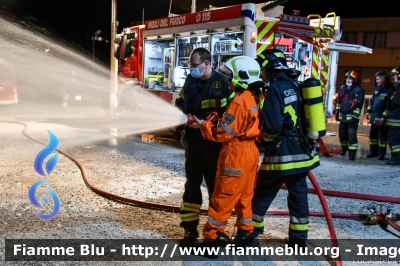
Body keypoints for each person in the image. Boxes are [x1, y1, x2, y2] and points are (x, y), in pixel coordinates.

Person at [188, 56, 262, 254]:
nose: (228, 80)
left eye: (230, 76)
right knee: (244, 196)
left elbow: (223, 134)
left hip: (236, 153)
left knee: (223, 196)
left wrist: (201, 125)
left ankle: (212, 239)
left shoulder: (238, 101)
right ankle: (245, 235)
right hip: (250, 153)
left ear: (241, 77)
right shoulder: (252, 97)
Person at [248, 49, 320, 248]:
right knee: (298, 197)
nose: (260, 72)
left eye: (262, 67)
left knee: (262, 193)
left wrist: (263, 141)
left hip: (282, 155)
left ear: (269, 67)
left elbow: (272, 126)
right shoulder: (295, 85)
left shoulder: (275, 89)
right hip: (302, 152)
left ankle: (250, 233)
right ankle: (298, 240)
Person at [175, 47, 233, 241]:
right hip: (194, 142)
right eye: (190, 65)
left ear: (207, 64)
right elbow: (181, 102)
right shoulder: (190, 81)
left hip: (214, 144)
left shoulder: (223, 82)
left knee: (215, 188)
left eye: (194, 65)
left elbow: (231, 113)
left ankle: (215, 230)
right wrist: (179, 122)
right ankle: (189, 229)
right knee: (192, 184)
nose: (191, 68)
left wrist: (209, 124)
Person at [335, 70, 365, 160]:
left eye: (350, 78)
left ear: (355, 80)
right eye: (347, 78)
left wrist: (355, 117)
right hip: (342, 117)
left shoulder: (359, 90)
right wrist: (337, 112)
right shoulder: (342, 88)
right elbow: (339, 102)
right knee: (342, 135)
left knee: (351, 136)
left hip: (352, 118)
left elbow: (359, 105)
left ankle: (352, 154)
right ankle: (344, 150)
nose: (348, 80)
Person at [365, 71, 394, 160]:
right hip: (374, 116)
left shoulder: (390, 90)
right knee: (373, 135)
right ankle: (373, 152)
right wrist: (368, 111)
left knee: (382, 137)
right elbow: (372, 101)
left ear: (383, 79)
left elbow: (389, 105)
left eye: (378, 79)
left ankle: (381, 154)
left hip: (382, 118)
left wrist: (384, 117)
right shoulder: (377, 88)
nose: (376, 81)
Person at [386, 66, 400, 165]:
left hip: (396, 121)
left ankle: (396, 158)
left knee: (394, 140)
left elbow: (396, 102)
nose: (394, 77)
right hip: (395, 119)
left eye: (395, 75)